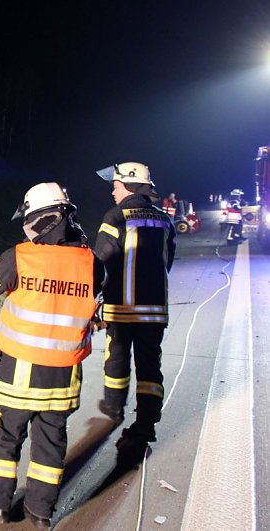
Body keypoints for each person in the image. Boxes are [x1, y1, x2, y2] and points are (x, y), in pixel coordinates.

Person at [0, 182, 105, 528]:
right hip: (63, 377)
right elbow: (94, 304)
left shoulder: (21, 256)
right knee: (50, 443)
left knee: (5, 438)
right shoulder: (91, 263)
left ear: (38, 219)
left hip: (19, 372)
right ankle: (41, 511)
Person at [94, 162, 175, 464]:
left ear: (127, 186)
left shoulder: (115, 217)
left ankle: (114, 408)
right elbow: (168, 260)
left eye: (114, 184)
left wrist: (95, 297)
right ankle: (146, 425)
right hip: (154, 310)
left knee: (116, 358)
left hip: (121, 308)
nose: (112, 190)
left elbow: (103, 260)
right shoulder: (163, 219)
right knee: (149, 367)